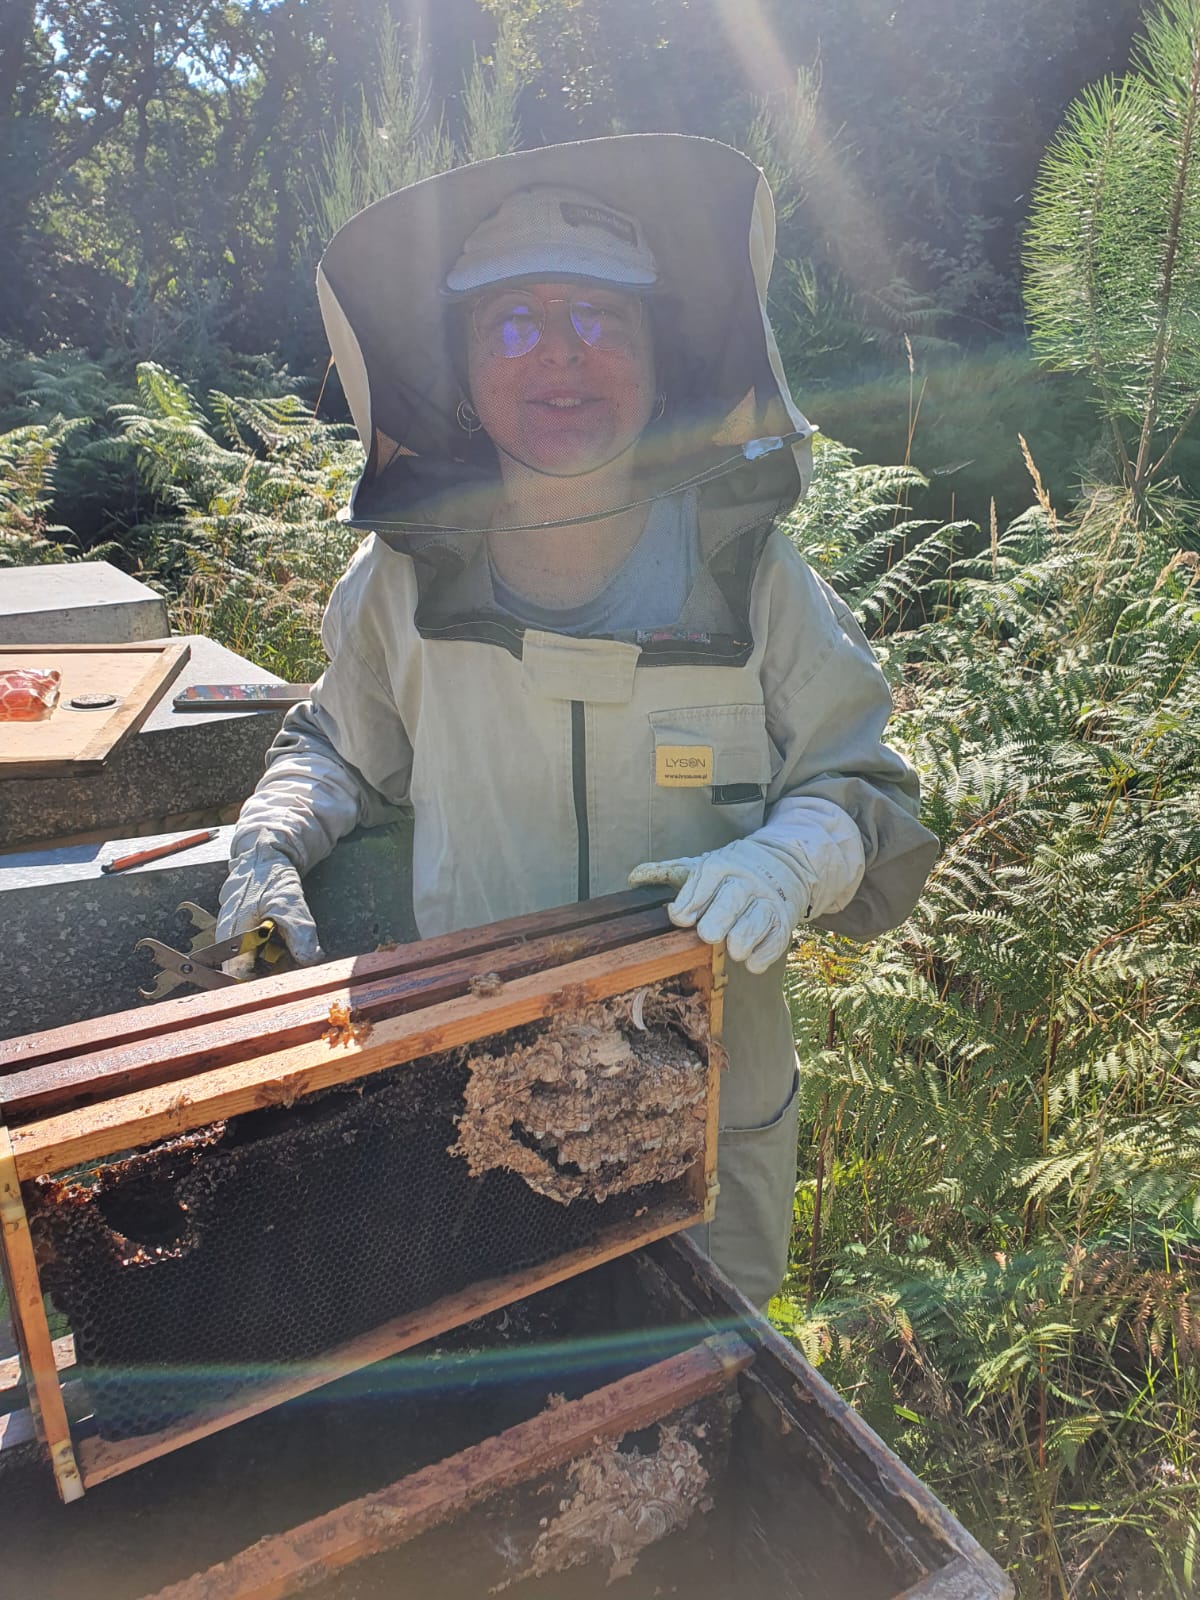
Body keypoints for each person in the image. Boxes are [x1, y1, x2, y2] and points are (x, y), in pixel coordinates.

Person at [215, 134, 939, 1307]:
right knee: (512, 1398)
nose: (558, 355)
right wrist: (268, 845)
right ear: (459, 369)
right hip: (484, 1100)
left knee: (709, 1403)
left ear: (658, 360)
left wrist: (792, 856)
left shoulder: (747, 568)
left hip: (714, 1109)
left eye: (601, 318)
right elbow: (332, 749)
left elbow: (870, 794)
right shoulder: (406, 575)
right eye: (510, 324)